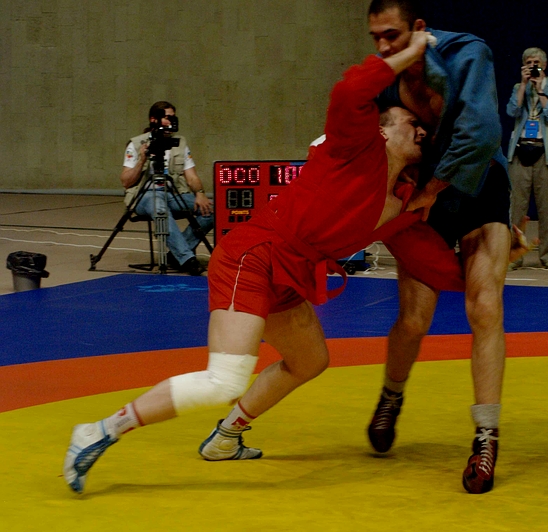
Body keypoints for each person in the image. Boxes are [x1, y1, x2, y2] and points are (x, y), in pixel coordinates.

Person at [63, 34, 465, 493]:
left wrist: (486, 268)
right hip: (252, 255)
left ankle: (226, 437)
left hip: (290, 271)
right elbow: (349, 92)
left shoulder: (405, 203)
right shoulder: (353, 149)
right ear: (381, 130)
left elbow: (431, 261)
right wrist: (411, 52)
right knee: (224, 379)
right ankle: (99, 431)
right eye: (411, 122)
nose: (421, 130)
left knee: (310, 360)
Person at [365, 0, 514, 494]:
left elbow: (481, 133)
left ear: (419, 28)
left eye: (392, 35)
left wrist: (430, 191)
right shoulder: (385, 77)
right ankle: (391, 396)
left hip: (477, 184)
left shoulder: (468, 53)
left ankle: (486, 437)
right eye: (376, 37)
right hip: (422, 192)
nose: (384, 46)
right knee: (413, 318)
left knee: (484, 305)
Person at [121, 101, 214, 275]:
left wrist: (200, 194)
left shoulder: (179, 143)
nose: (171, 121)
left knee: (212, 209)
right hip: (144, 196)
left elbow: (191, 176)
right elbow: (126, 182)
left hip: (173, 194)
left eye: (173, 117)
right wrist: (142, 159)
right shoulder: (136, 144)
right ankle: (187, 259)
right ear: (153, 119)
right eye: (167, 117)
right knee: (159, 206)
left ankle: (176, 254)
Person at [506, 48, 548, 272]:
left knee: (545, 208)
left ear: (544, 65)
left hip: (545, 154)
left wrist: (541, 90)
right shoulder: (518, 88)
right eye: (529, 62)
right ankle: (514, 255)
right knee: (516, 209)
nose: (533, 65)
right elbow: (512, 111)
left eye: (536, 62)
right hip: (520, 151)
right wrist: (523, 86)